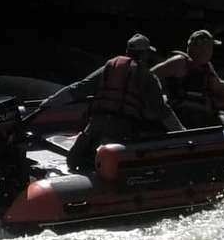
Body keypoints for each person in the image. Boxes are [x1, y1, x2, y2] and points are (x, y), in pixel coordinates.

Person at [47, 33, 184, 171]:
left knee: (87, 142)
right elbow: (161, 110)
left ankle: (86, 144)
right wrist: (181, 132)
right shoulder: (147, 77)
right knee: (137, 135)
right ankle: (104, 155)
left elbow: (80, 87)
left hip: (96, 121)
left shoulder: (108, 67)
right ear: (144, 55)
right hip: (122, 126)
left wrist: (52, 101)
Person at [151, 29, 224, 129]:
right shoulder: (179, 62)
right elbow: (149, 76)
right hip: (184, 116)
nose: (211, 51)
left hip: (202, 114)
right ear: (200, 48)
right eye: (209, 47)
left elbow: (219, 86)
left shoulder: (206, 67)